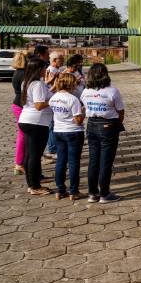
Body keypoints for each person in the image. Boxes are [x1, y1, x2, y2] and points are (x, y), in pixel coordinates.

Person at [81, 63, 125, 204]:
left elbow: (84, 106)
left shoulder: (86, 91)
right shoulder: (112, 91)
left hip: (92, 125)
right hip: (108, 126)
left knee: (94, 161)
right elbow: (121, 112)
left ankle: (93, 193)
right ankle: (105, 194)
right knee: (105, 162)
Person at [17, 57, 53, 196]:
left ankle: (32, 183)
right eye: (44, 67)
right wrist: (54, 100)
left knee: (30, 154)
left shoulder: (26, 82)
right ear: (38, 69)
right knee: (34, 155)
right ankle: (34, 186)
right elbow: (39, 105)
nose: (46, 70)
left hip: (27, 120)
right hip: (36, 123)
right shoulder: (37, 84)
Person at [49, 73, 85, 201]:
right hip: (73, 132)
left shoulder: (53, 98)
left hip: (58, 131)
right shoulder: (73, 99)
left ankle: (60, 189)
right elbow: (78, 120)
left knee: (61, 161)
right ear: (71, 84)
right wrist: (84, 111)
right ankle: (73, 191)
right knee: (74, 162)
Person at [10, 51, 28, 175]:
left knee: (22, 134)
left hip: (17, 103)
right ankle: (19, 163)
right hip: (22, 104)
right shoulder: (25, 74)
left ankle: (20, 162)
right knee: (23, 135)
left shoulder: (16, 73)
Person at [44, 52, 65, 156]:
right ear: (54, 60)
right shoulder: (51, 70)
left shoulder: (57, 69)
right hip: (52, 99)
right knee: (52, 125)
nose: (63, 60)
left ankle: (54, 145)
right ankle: (52, 148)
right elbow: (54, 85)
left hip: (55, 99)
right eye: (61, 59)